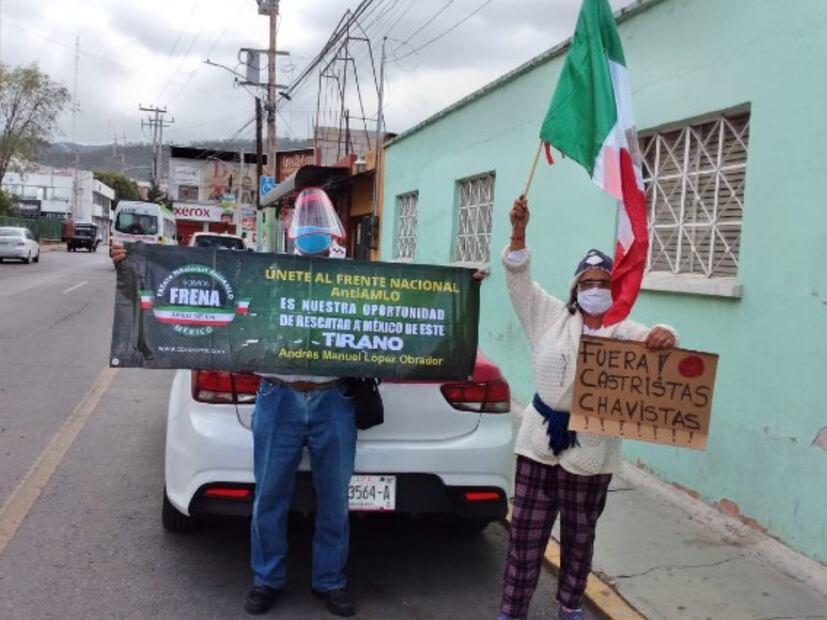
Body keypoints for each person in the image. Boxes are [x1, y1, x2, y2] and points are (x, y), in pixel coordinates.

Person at [111, 188, 357, 618]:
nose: (313, 231)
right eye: (307, 222)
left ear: (332, 229)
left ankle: (330, 580)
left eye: (320, 223)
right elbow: (194, 281)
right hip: (278, 395)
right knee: (269, 496)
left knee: (335, 499)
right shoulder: (264, 270)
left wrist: (461, 290)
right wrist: (131, 264)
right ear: (292, 228)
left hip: (332, 397)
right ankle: (267, 579)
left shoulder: (354, 275)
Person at [496, 196, 678, 620]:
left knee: (580, 538)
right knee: (524, 537)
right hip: (539, 445)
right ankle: (511, 611)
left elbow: (661, 338)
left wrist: (667, 333)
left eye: (602, 282)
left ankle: (570, 607)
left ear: (611, 290)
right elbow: (518, 278)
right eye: (587, 282)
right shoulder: (549, 317)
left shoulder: (622, 331)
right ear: (575, 289)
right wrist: (519, 232)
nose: (595, 289)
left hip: (592, 453)